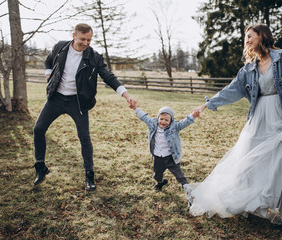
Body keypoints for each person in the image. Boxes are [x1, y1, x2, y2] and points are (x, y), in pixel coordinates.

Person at [186, 23, 282, 227]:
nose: (246, 40)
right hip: (258, 120)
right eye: (245, 37)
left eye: (250, 35)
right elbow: (231, 89)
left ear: (262, 36)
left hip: (281, 118)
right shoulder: (249, 68)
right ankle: (253, 204)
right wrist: (207, 105)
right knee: (250, 162)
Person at [33, 23, 136, 191]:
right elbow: (48, 61)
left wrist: (126, 95)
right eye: (83, 39)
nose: (86, 43)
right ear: (74, 35)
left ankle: (89, 175)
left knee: (84, 138)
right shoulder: (60, 47)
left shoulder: (94, 57)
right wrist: (48, 75)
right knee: (38, 129)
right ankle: (40, 167)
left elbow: (109, 77)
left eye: (89, 40)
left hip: (77, 102)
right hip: (56, 99)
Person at [130, 102, 198, 191]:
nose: (163, 122)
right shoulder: (153, 124)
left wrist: (193, 115)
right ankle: (161, 182)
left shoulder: (175, 127)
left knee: (180, 176)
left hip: (171, 157)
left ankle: (189, 192)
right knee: (157, 175)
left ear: (171, 121)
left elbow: (185, 122)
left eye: (166, 120)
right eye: (161, 119)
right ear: (158, 117)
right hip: (158, 156)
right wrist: (136, 108)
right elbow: (143, 117)